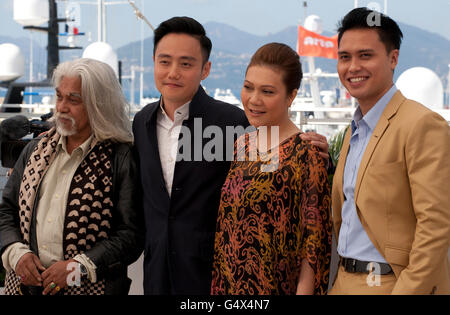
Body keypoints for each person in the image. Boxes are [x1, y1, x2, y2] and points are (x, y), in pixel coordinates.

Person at [132, 17, 331, 294]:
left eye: (186, 63)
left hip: (227, 283)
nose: (173, 72)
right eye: (165, 61)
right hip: (178, 281)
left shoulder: (234, 126)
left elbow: (314, 242)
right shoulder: (142, 123)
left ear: (205, 69)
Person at [329, 8, 450, 295]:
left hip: (390, 284)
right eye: (344, 57)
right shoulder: (353, 132)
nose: (352, 66)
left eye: (365, 55)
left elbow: (435, 226)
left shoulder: (422, 124)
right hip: (343, 281)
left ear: (393, 58)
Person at [0, 58, 144, 295]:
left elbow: (132, 234)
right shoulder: (35, 150)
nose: (62, 107)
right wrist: (16, 252)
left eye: (73, 99)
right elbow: (6, 210)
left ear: (99, 104)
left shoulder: (120, 158)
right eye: (59, 96)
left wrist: (78, 268)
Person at [211, 43, 332, 295]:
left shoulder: (307, 151)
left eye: (267, 91)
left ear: (291, 96)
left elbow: (314, 246)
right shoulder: (242, 144)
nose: (254, 100)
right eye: (248, 87)